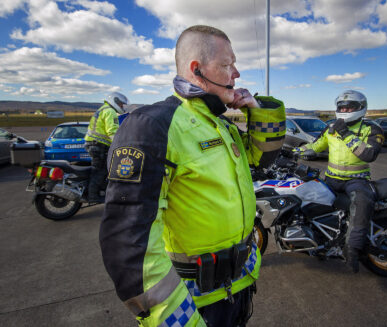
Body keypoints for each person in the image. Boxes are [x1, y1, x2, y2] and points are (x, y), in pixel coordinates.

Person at [99, 25, 286, 327]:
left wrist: (259, 110)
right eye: (227, 65)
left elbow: (263, 159)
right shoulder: (154, 126)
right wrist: (178, 320)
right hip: (194, 305)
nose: (236, 73)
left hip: (238, 288)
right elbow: (129, 246)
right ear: (197, 70)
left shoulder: (220, 125)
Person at [294, 90, 384, 273]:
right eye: (341, 106)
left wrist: (346, 134)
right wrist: (294, 152)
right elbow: (315, 146)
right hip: (331, 179)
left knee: (361, 204)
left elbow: (368, 154)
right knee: (306, 199)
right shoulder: (331, 128)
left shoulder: (371, 129)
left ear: (360, 108)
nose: (344, 109)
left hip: (356, 181)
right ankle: (319, 242)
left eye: (349, 106)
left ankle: (352, 250)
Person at [84, 92, 129, 203]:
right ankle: (93, 196)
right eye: (121, 104)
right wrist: (120, 145)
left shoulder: (103, 109)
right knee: (100, 170)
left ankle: (99, 190)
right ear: (115, 101)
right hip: (98, 145)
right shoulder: (110, 111)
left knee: (101, 169)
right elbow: (112, 131)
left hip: (94, 144)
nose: (122, 106)